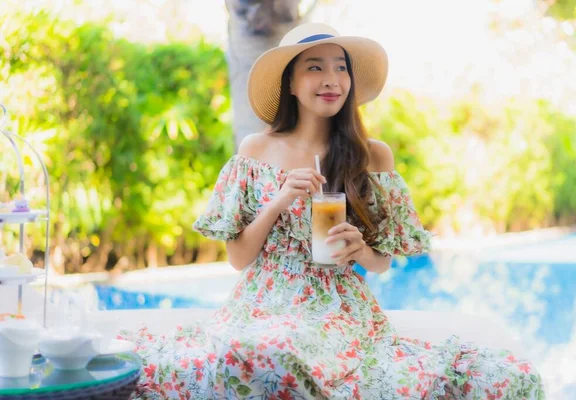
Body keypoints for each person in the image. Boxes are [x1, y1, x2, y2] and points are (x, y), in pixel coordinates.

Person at [122, 23, 545, 399]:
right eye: (315, 67)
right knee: (257, 352)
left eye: (341, 67)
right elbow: (238, 259)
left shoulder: (371, 155)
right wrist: (278, 200)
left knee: (496, 378)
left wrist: (359, 250)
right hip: (262, 304)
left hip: (338, 306)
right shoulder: (256, 151)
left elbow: (381, 263)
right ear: (290, 83)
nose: (332, 79)